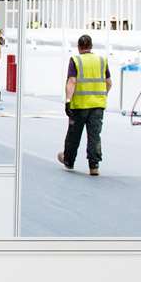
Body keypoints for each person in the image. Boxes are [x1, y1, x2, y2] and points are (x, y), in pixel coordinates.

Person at [58, 34, 111, 177]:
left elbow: (72, 81)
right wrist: (101, 95)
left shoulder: (76, 60)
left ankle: (68, 160)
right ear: (91, 46)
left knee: (74, 135)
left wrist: (68, 100)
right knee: (94, 135)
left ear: (79, 47)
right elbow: (109, 83)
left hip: (79, 105)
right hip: (98, 105)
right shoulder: (102, 60)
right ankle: (94, 166)